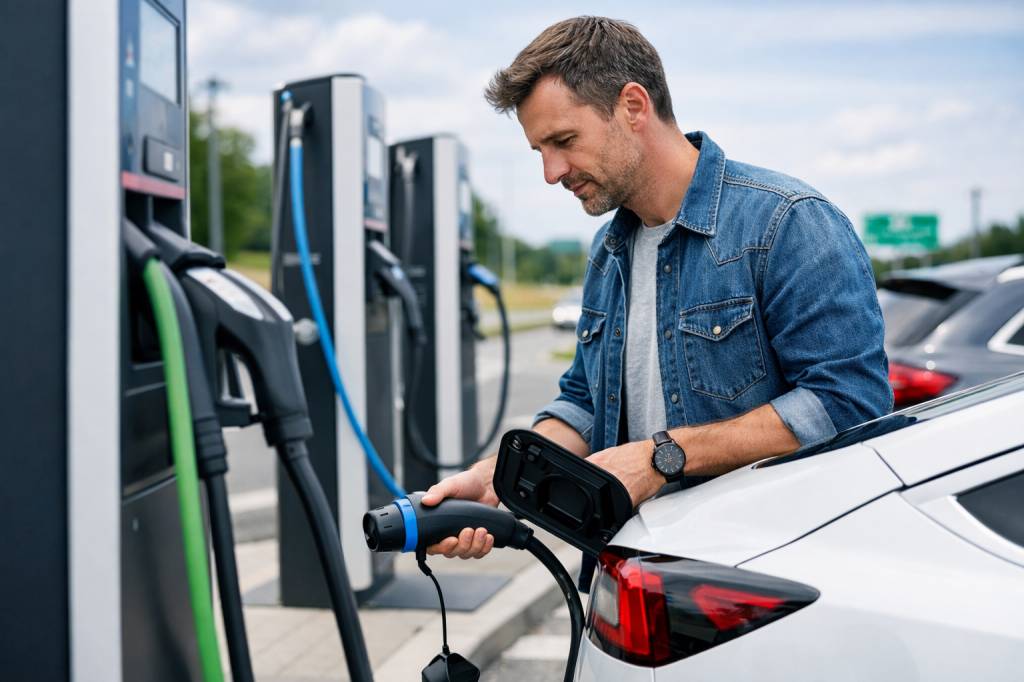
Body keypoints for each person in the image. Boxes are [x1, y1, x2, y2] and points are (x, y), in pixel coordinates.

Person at [422, 16, 892, 563]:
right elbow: (584, 403)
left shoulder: (787, 222)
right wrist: (497, 478)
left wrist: (663, 457)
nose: (551, 172)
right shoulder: (609, 251)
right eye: (540, 151)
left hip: (763, 578)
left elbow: (848, 403)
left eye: (564, 141)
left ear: (633, 106)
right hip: (634, 575)